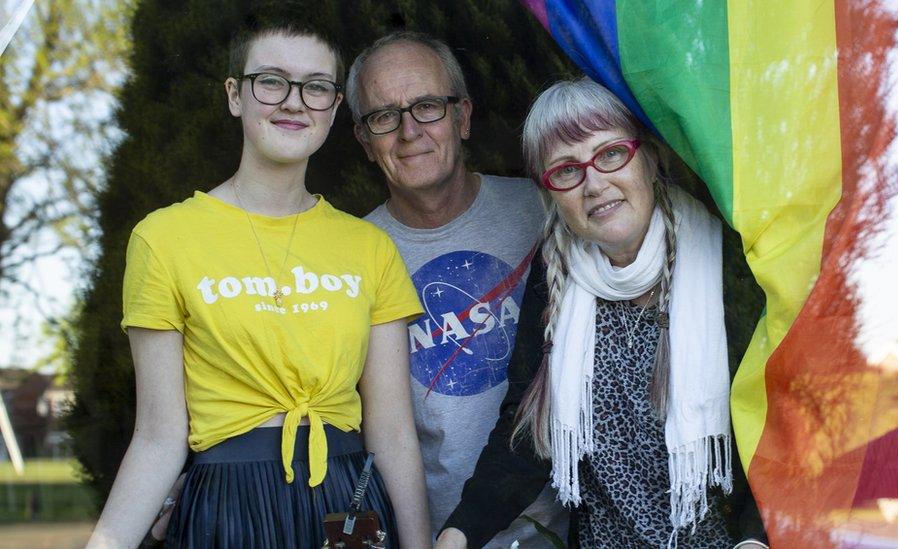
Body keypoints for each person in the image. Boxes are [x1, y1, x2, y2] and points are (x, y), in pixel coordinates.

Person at [87, 22, 431, 549]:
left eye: (315, 86)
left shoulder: (370, 247)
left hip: (346, 500)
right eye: (272, 81)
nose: (294, 103)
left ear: (335, 106)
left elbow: (393, 432)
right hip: (225, 504)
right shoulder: (163, 238)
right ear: (234, 95)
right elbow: (158, 438)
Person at [437, 77, 769, 548]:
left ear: (650, 158)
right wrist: (459, 533)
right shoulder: (554, 276)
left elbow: (783, 421)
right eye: (566, 170)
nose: (594, 183)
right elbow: (529, 436)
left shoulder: (727, 264)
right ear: (550, 192)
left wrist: (757, 538)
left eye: (611, 153)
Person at [346, 32, 569, 548]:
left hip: (566, 528)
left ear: (463, 117)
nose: (408, 132)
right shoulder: (350, 256)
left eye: (427, 106)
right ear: (364, 140)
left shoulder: (549, 212)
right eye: (384, 116)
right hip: (435, 536)